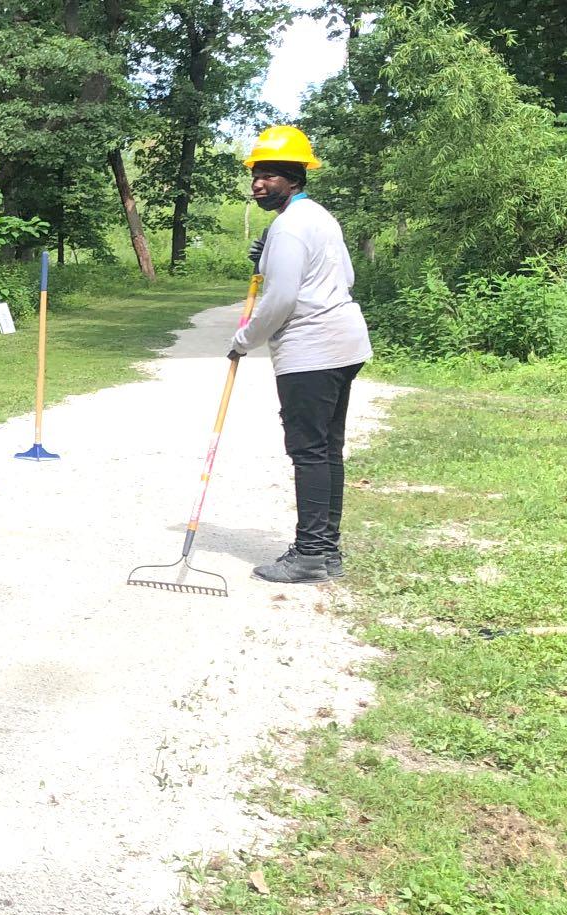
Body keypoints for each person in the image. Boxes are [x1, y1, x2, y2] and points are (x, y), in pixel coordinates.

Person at [228, 124, 374, 585]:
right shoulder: (319, 217)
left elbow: (281, 299)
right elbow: (344, 275)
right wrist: (267, 254)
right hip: (344, 344)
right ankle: (325, 552)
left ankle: (310, 555)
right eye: (256, 173)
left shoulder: (289, 226)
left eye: (270, 174)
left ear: (294, 178)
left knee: (309, 451)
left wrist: (243, 340)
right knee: (327, 450)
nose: (259, 182)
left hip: (312, 349)